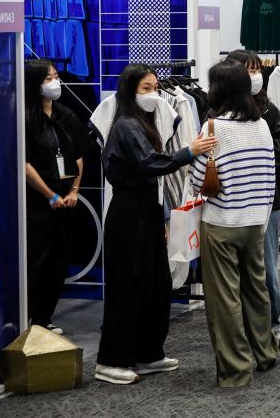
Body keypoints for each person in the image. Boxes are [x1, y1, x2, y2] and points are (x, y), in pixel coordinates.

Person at [96, 64, 211, 385]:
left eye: (155, 87)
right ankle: (110, 360)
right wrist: (189, 152)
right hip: (128, 215)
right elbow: (151, 163)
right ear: (130, 91)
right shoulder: (126, 126)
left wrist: (159, 219)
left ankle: (147, 353)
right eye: (146, 88)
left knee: (156, 284)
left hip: (147, 211)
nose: (154, 94)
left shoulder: (143, 122)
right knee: (127, 287)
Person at [188, 60, 279, 387]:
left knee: (224, 298)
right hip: (255, 222)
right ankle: (265, 352)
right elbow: (270, 176)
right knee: (256, 290)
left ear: (219, 89)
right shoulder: (261, 125)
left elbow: (198, 180)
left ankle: (236, 369)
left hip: (222, 222)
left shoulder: (214, 127)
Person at [224, 50, 280, 350]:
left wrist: (259, 160)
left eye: (257, 70)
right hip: (230, 204)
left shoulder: (268, 109)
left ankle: (272, 325)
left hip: (267, 201)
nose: (255, 76)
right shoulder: (218, 111)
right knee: (233, 272)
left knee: (266, 267)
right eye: (248, 70)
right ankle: (240, 328)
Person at [23, 60, 90, 335]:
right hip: (37, 201)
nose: (55, 83)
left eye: (56, 76)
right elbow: (25, 163)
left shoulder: (66, 115)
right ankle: (26, 317)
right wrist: (50, 195)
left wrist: (74, 190)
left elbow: (79, 156)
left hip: (66, 200)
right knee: (36, 260)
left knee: (59, 261)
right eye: (48, 78)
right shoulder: (26, 118)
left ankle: (44, 317)